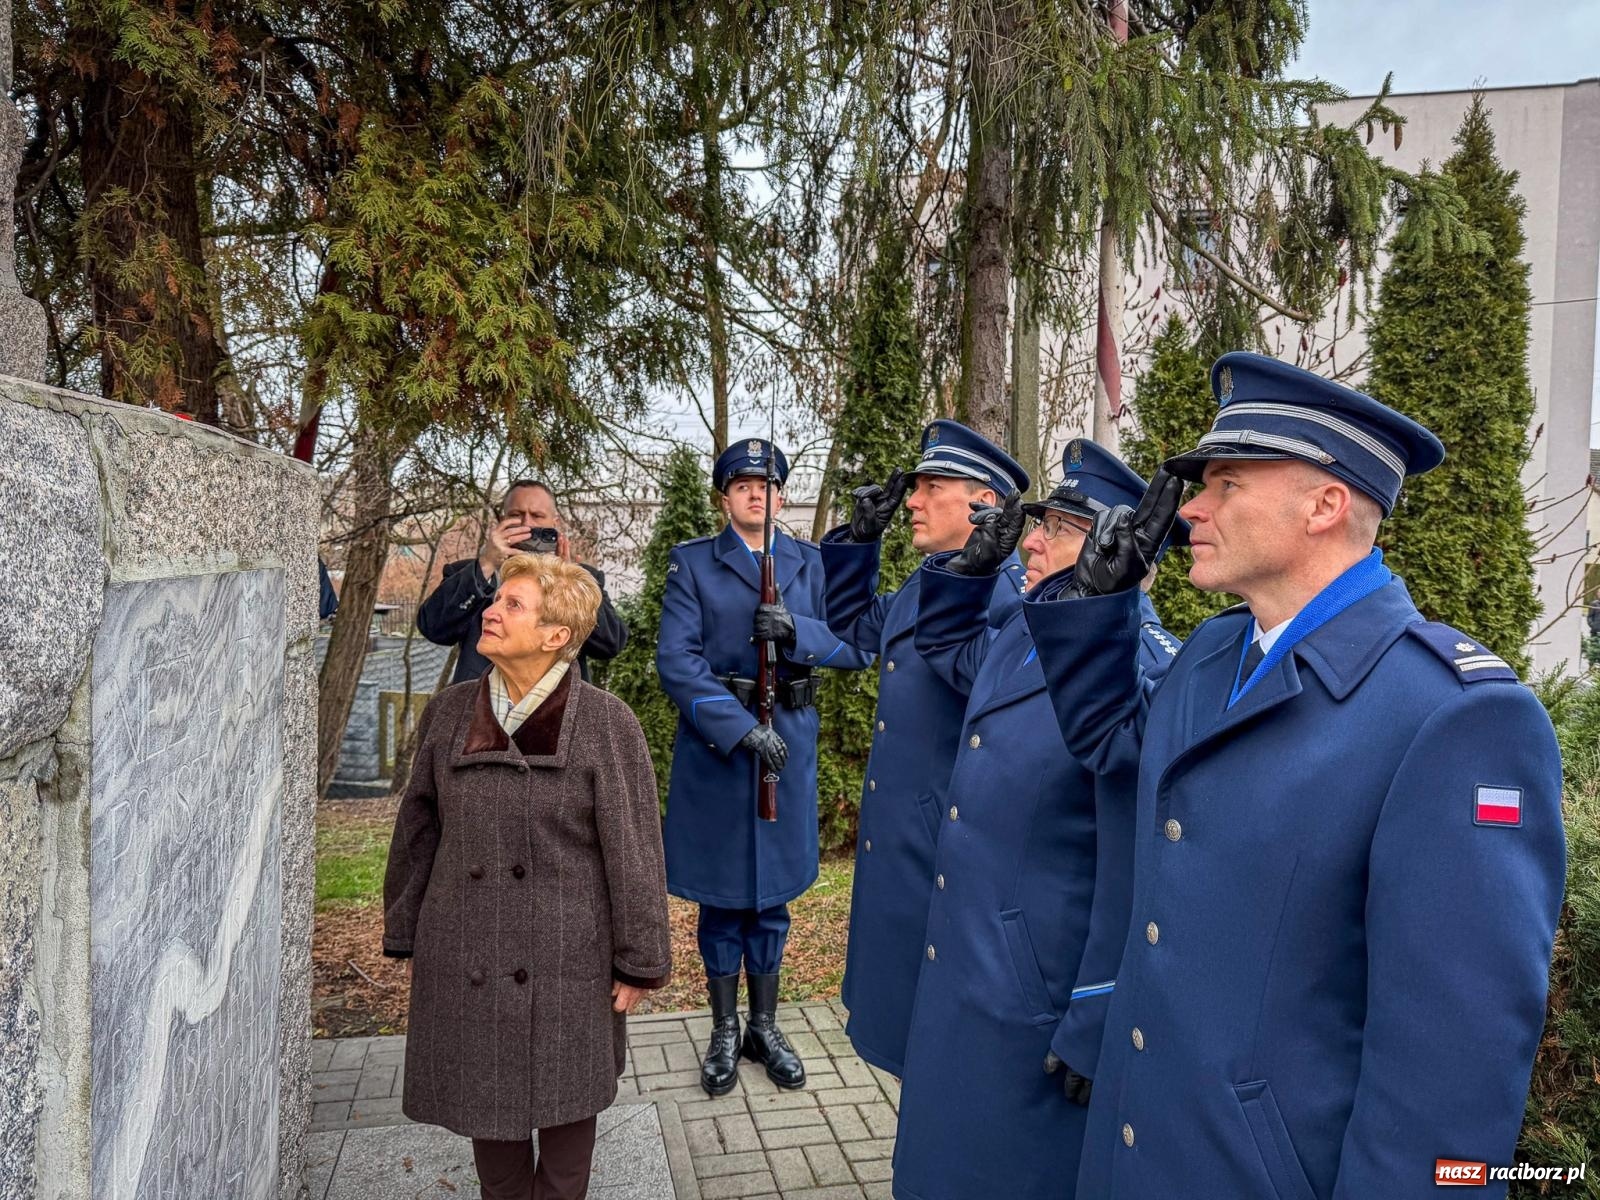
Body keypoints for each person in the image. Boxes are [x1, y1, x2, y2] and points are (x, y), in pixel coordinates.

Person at [1023, 352, 1566, 1199]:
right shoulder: (1214, 653)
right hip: (1139, 1150)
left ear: (1325, 505)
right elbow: (1111, 748)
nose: (1190, 508)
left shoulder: (1453, 717)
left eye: (1227, 483)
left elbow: (1451, 1074)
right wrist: (1098, 605)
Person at [889, 440, 1182, 1200]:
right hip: (966, 963)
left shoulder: (1142, 668)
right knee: (936, 1164)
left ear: (1118, 550)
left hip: (1033, 994)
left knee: (1002, 1174)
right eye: (1039, 523)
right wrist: (969, 571)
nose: (1031, 542)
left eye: (1058, 529)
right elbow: (946, 648)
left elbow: (1133, 857)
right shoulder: (1028, 627)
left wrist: (1097, 1010)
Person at [383, 554, 671, 1200]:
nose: (490, 611)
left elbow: (635, 852)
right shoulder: (449, 713)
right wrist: (406, 930)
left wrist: (640, 961)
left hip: (570, 960)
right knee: (490, 1115)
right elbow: (416, 831)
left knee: (567, 1125)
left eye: (512, 604)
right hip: (468, 950)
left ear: (556, 634)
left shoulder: (606, 722)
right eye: (496, 600)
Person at [656, 438, 872, 1095]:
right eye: (744, 485)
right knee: (723, 899)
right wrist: (740, 729)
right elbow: (677, 661)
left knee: (773, 898)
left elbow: (855, 646)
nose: (758, 494)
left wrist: (797, 632)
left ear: (782, 495)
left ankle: (765, 1026)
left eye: (768, 485)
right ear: (725, 497)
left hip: (790, 744)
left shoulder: (810, 563)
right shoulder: (694, 562)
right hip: (721, 752)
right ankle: (725, 1028)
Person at [817, 419, 1030, 1078]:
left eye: (931, 486)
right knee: (902, 1027)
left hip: (944, 854)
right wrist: (859, 543)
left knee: (937, 1045)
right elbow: (856, 626)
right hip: (901, 848)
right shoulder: (929, 580)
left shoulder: (1011, 591)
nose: (912, 500)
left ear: (984, 502)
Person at [417, 479, 627, 683]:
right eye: (516, 515)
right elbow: (433, 628)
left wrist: (570, 583)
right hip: (482, 699)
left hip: (558, 702)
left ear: (555, 523)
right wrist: (486, 564)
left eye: (537, 515)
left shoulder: (585, 579)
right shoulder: (470, 574)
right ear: (502, 520)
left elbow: (611, 644)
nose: (527, 524)